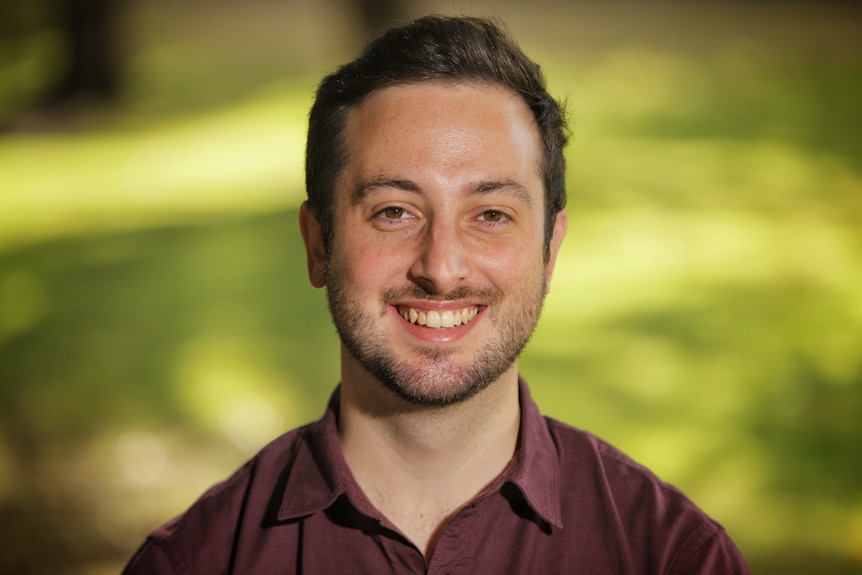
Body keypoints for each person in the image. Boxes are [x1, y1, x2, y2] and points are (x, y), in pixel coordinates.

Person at [122, 15, 751, 574]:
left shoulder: (671, 557)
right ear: (318, 245)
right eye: (395, 211)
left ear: (550, 250)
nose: (442, 269)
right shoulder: (193, 563)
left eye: (491, 214)